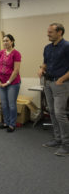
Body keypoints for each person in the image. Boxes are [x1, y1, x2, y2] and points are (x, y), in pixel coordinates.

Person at [38, 23, 69, 156]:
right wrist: (42, 69)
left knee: (60, 114)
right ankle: (57, 139)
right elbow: (45, 62)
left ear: (60, 32)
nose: (48, 34)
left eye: (50, 32)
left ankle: (66, 145)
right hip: (48, 82)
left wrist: (61, 79)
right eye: (48, 32)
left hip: (61, 83)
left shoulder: (67, 46)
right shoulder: (47, 48)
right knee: (51, 111)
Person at [0, 34, 21, 133]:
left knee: (11, 104)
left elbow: (16, 70)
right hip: (1, 82)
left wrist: (8, 82)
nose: (5, 42)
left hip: (13, 83)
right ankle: (6, 122)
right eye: (3, 41)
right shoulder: (1, 53)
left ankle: (12, 124)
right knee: (4, 104)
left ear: (12, 41)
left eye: (7, 40)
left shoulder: (16, 53)